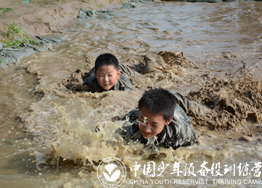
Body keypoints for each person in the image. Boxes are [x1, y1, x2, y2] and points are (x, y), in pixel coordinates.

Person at [117, 88, 203, 150]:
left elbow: (194, 147)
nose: (146, 129)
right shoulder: (130, 121)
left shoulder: (181, 132)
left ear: (167, 121)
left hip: (179, 103)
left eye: (154, 124)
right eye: (143, 121)